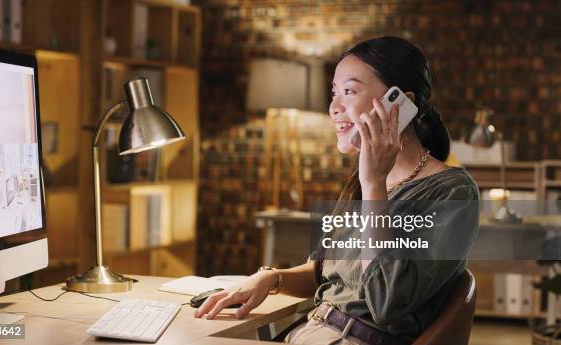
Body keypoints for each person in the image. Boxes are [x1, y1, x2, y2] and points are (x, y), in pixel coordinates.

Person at [194, 36, 479, 345]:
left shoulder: (453, 192)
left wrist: (373, 186)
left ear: (398, 104)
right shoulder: (366, 180)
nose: (334, 108)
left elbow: (386, 302)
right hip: (311, 330)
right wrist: (270, 278)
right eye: (334, 93)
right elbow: (327, 271)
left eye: (349, 91)